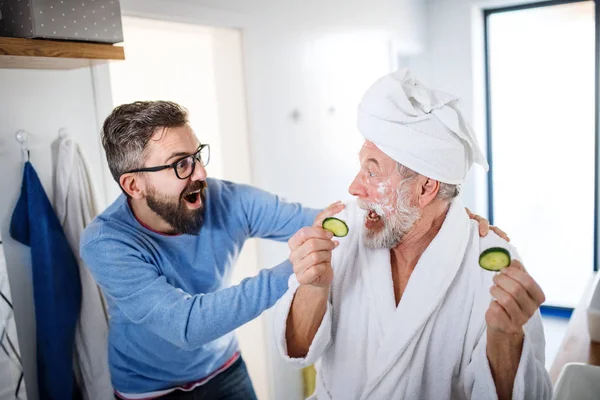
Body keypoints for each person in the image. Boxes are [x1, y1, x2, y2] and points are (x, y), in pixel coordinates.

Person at [81, 100, 499, 399]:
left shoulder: (228, 200)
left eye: (197, 155)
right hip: (147, 387)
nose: (201, 173)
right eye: (180, 164)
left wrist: (442, 218)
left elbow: (326, 223)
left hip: (223, 371)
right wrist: (299, 270)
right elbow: (186, 327)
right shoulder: (107, 243)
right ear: (134, 185)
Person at [274, 69, 551, 400]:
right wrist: (313, 287)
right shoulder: (341, 233)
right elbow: (296, 351)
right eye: (361, 167)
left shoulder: (489, 265)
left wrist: (506, 338)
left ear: (425, 188)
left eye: (372, 171)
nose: (353, 187)